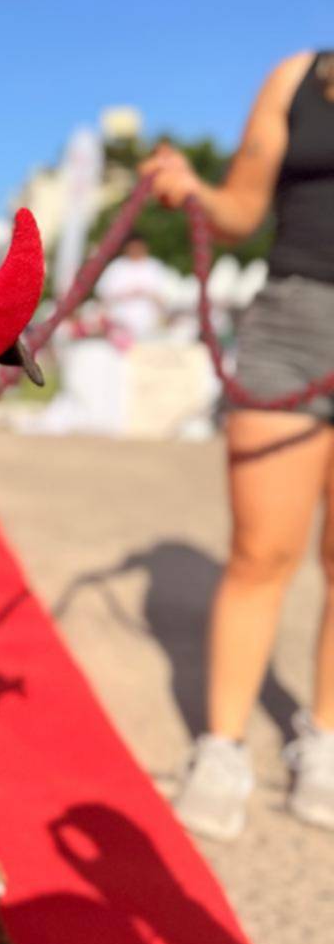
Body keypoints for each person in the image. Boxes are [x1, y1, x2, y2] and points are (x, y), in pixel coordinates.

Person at [142, 50, 334, 839]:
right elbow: (241, 212)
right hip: (291, 326)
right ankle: (221, 749)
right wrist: (193, 190)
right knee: (262, 552)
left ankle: (322, 741)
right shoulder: (298, 78)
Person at [97, 233, 169, 345]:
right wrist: (127, 293)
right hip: (120, 324)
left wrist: (147, 294)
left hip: (150, 325)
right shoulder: (116, 267)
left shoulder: (154, 267)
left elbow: (166, 295)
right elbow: (103, 294)